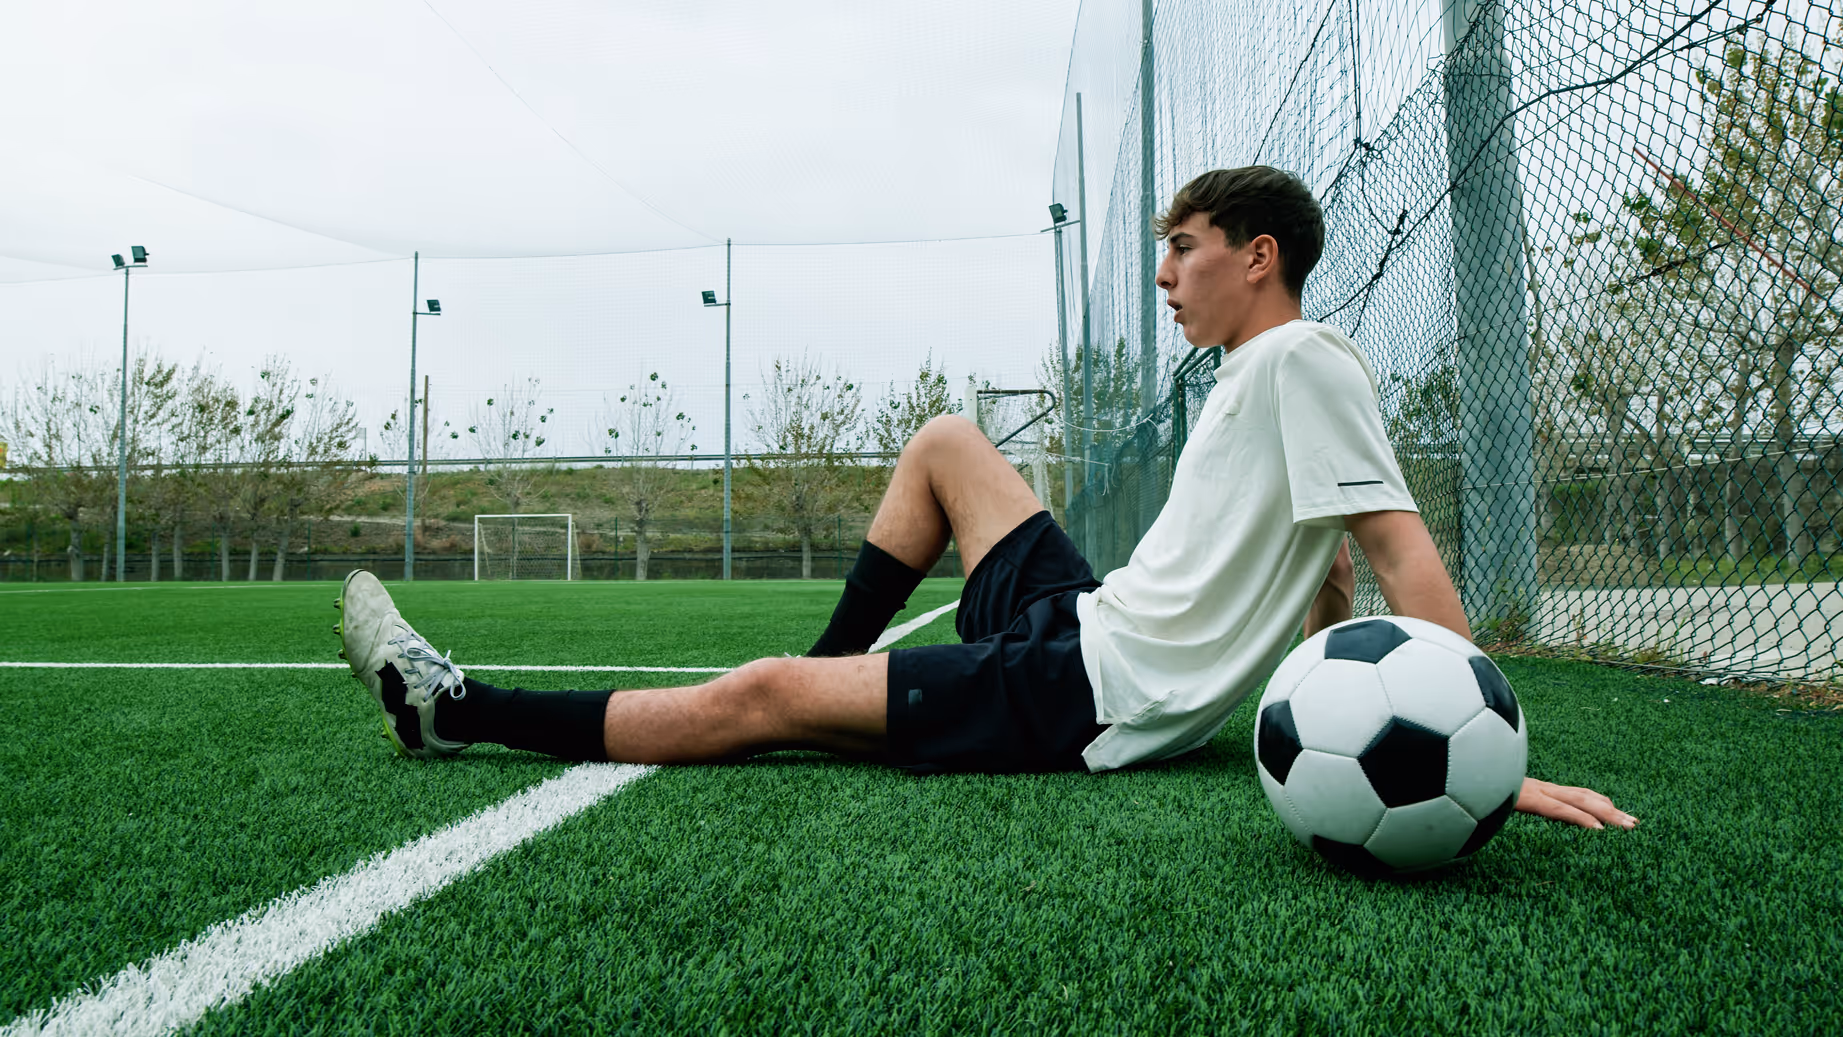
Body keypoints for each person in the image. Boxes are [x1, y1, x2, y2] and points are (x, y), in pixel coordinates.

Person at [335, 166, 1636, 833]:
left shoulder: (1301, 356)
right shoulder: (1260, 373)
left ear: (1258, 257)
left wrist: (1468, 751)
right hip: (1087, 622)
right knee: (950, 442)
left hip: (1092, 690)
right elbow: (1333, 583)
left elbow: (1398, 559)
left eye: (1183, 249)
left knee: (761, 698)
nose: (1168, 274)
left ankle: (451, 711)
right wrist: (1319, 663)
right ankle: (831, 669)